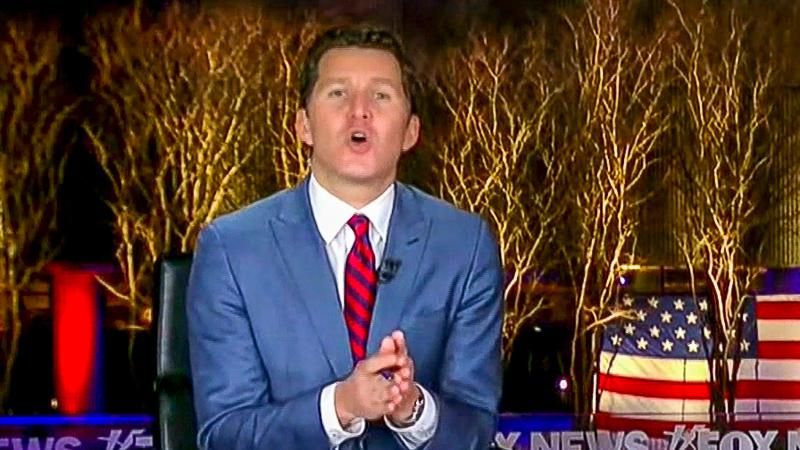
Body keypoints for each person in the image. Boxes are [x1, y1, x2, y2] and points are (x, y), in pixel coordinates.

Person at [186, 25, 503, 450]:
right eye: (338, 93)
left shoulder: (464, 246)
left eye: (381, 95)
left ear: (410, 132)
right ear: (303, 125)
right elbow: (224, 434)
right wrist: (339, 406)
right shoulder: (232, 250)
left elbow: (477, 430)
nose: (359, 111)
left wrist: (414, 409)